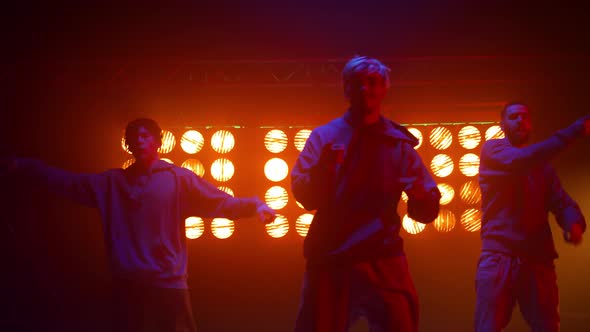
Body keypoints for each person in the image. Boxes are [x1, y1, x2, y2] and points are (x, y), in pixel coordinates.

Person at [2, 118, 276, 332]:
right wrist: (27, 166)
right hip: (129, 283)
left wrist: (255, 205)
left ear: (158, 142)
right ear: (128, 145)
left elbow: (219, 201)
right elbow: (68, 182)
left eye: (146, 135)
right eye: (134, 136)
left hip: (168, 282)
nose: (140, 140)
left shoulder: (178, 179)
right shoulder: (111, 183)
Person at [291, 55, 441, 332]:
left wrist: (422, 199)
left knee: (401, 322)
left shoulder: (397, 144)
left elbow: (427, 209)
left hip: (382, 255)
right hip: (332, 255)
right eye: (357, 83)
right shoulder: (324, 137)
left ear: (384, 87)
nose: (365, 89)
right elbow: (303, 195)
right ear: (346, 89)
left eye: (372, 82)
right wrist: (325, 169)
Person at [475, 103, 590, 332]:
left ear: (531, 123)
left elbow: (561, 201)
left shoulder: (542, 167)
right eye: (513, 116)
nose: (519, 120)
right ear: (502, 124)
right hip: (500, 257)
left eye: (524, 116)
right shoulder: (493, 150)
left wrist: (573, 222)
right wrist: (574, 131)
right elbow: (524, 159)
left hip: (537, 260)